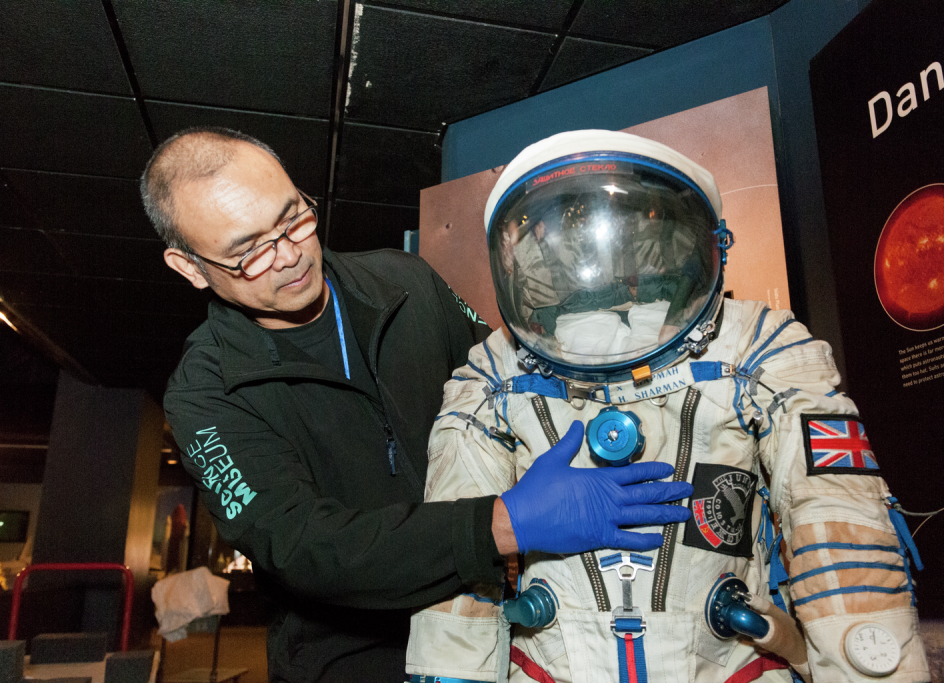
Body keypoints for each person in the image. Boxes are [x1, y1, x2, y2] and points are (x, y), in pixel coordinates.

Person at [140, 127, 695, 682]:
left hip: (495, 629)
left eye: (293, 218)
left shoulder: (404, 281)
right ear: (190, 267)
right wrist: (506, 524)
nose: (289, 255)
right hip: (354, 662)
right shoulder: (204, 393)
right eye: (250, 252)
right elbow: (302, 546)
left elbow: (502, 382)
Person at [407, 130, 931, 682]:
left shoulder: (756, 347)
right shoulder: (493, 376)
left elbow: (838, 524)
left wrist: (871, 664)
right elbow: (458, 567)